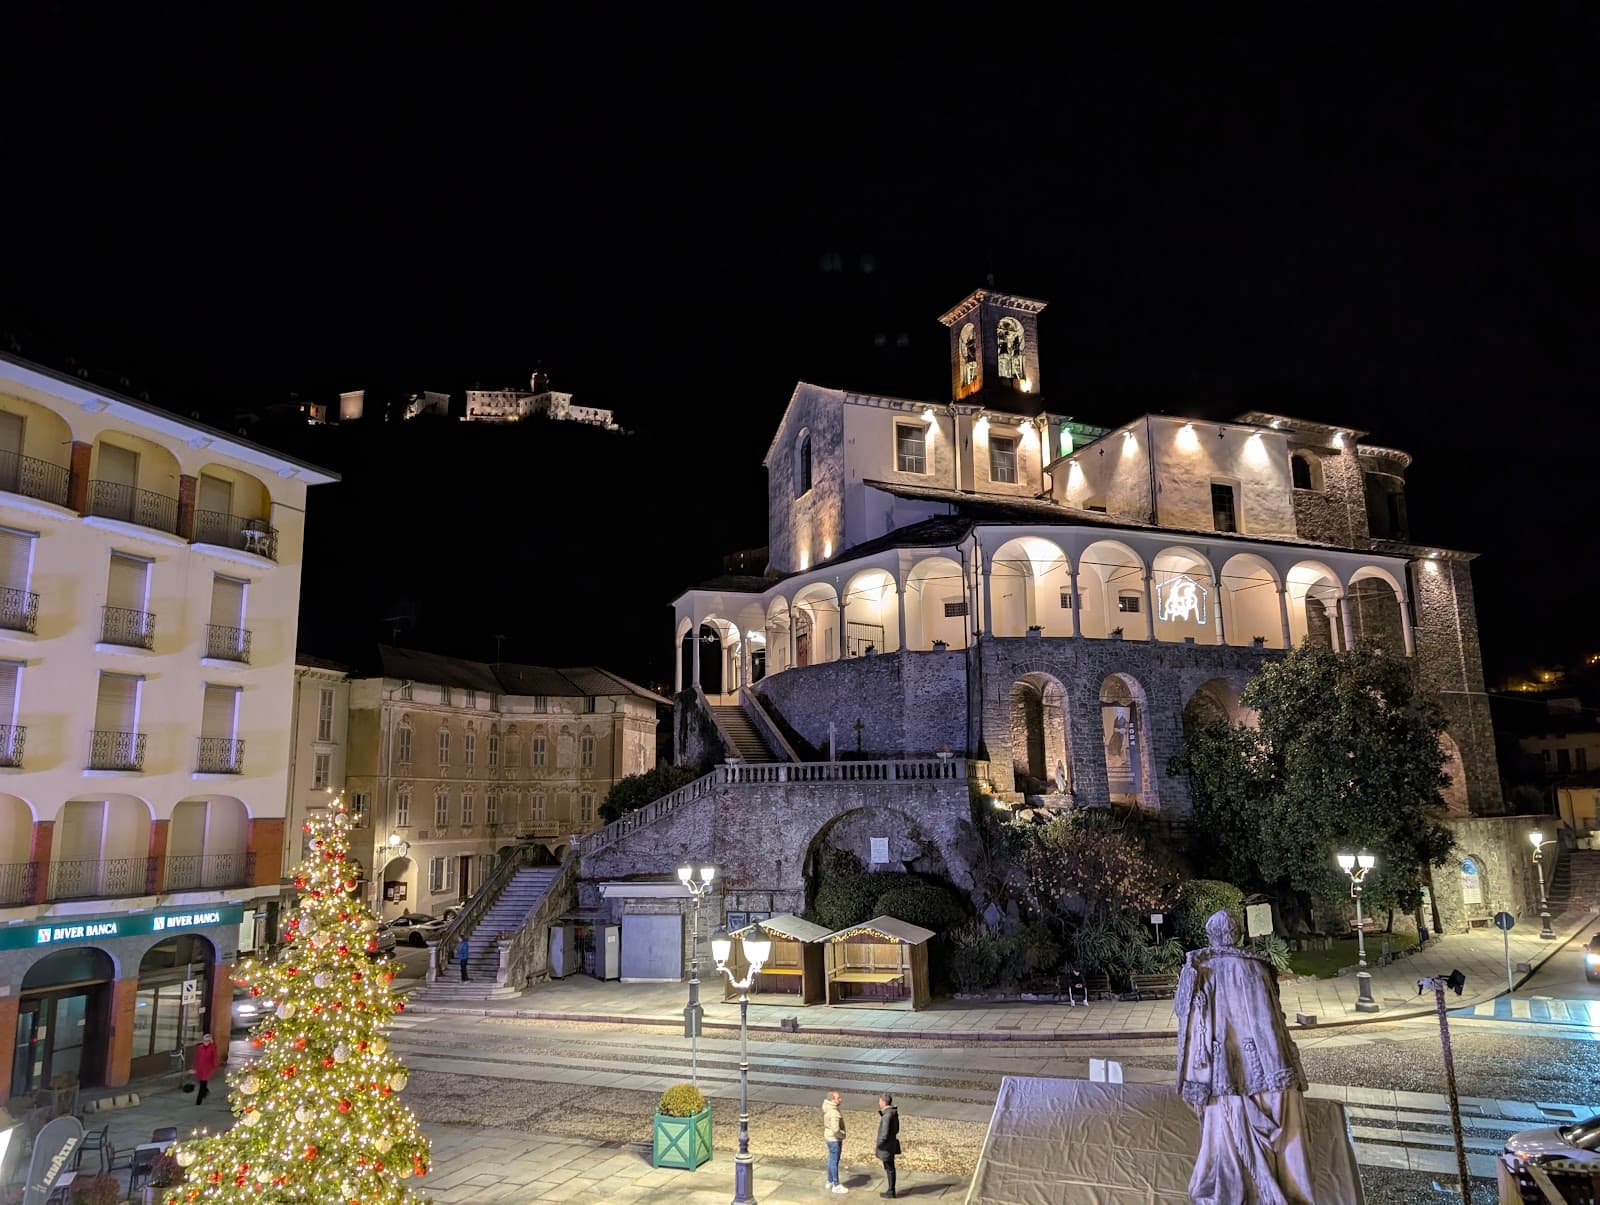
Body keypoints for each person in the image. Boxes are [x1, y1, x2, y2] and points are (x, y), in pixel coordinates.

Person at [1175, 909, 1312, 1204]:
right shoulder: (1256, 968)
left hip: (1218, 1071)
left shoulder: (1200, 969)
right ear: (1237, 934)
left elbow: (1188, 1024)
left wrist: (1195, 1075)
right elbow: (1271, 1022)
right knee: (1277, 1139)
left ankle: (1236, 1189)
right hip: (1266, 1066)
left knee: (1221, 1141)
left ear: (1211, 934)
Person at [822, 1089, 847, 1194]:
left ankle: (830, 1181)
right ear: (833, 1099)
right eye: (838, 1098)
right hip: (834, 1139)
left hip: (828, 1137)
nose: (840, 1099)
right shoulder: (834, 1112)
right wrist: (842, 1135)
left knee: (831, 1159)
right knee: (834, 1161)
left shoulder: (827, 1107)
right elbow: (835, 1129)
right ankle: (836, 1185)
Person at [875, 1093, 900, 1199]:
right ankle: (891, 1189)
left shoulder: (887, 1116)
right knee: (890, 1167)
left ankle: (891, 1190)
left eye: (879, 1101)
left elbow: (884, 1134)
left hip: (886, 1147)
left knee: (889, 1168)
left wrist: (879, 1144)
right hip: (891, 1144)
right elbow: (897, 1129)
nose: (878, 1102)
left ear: (884, 1102)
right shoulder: (893, 1113)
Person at [192, 1032, 217, 1105]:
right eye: (205, 1039)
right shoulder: (200, 1047)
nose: (206, 1041)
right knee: (203, 1083)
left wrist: (214, 1066)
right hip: (200, 1068)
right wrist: (194, 1068)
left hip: (207, 1068)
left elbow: (214, 1057)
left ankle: (198, 1101)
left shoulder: (212, 1048)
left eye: (208, 1040)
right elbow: (197, 1058)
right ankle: (205, 1091)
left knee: (202, 1083)